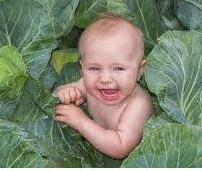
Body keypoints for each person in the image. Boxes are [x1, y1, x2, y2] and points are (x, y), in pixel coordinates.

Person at [54, 13, 153, 159]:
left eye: (118, 68)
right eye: (94, 68)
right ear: (82, 67)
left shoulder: (139, 105)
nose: (105, 79)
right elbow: (55, 94)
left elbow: (120, 148)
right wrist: (65, 92)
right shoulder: (90, 86)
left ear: (140, 69)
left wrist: (81, 122)